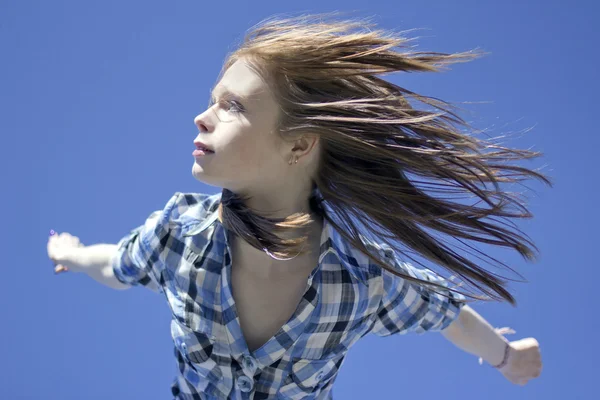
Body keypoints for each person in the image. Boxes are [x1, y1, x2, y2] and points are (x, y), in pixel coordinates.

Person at [47, 13, 546, 399]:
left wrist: (507, 357)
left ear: (299, 146)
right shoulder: (178, 232)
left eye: (232, 105)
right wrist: (74, 252)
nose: (201, 118)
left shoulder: (364, 277)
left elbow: (449, 315)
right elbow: (117, 264)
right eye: (212, 100)